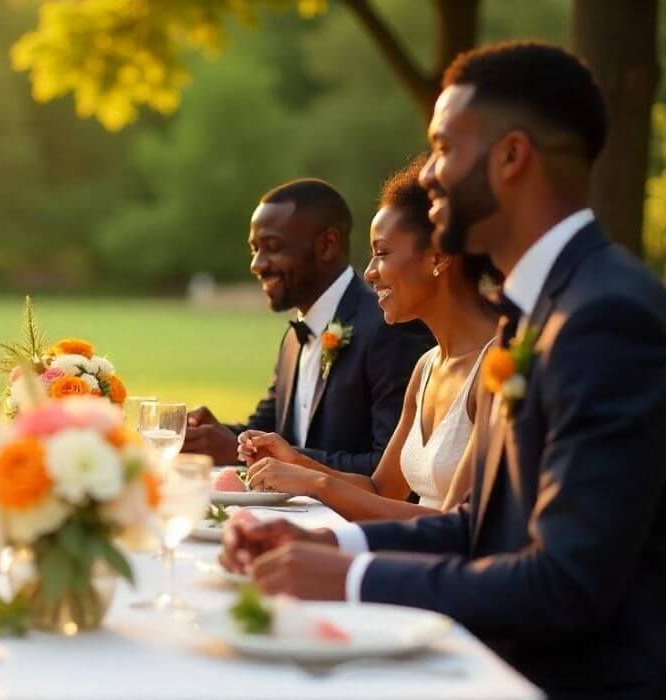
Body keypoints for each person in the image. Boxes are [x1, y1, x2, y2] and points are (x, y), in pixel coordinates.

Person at [223, 42, 666, 698]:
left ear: (513, 157)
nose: (427, 174)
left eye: (444, 149)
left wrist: (348, 583)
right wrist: (330, 549)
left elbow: (565, 585)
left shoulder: (605, 317)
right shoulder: (535, 312)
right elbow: (481, 528)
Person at [236, 156, 499, 521]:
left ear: (438, 256)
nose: (370, 273)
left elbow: (460, 529)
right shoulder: (427, 367)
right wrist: (295, 462)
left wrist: (317, 484)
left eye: (382, 253)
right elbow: (381, 490)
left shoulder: (499, 368)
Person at [184, 179, 433, 476]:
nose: (257, 264)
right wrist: (216, 435)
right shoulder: (293, 338)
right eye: (254, 249)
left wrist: (280, 460)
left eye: (272, 247)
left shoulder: (389, 326)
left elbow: (392, 471)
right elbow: (270, 431)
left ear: (327, 245)